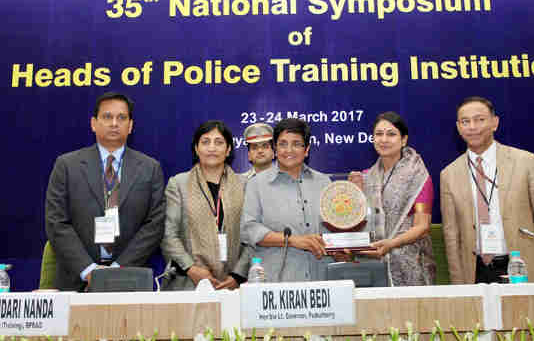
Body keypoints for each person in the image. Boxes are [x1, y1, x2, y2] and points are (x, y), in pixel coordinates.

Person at [45, 91, 165, 291]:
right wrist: (88, 270)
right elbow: (56, 222)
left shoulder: (150, 168)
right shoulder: (67, 165)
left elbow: (154, 225)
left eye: (122, 118)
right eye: (107, 117)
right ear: (93, 123)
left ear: (131, 126)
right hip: (76, 279)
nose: (114, 123)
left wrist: (118, 270)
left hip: (130, 279)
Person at [440, 96, 534, 284]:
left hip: (522, 268)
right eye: (465, 121)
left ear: (494, 123)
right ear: (458, 128)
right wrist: (459, 284)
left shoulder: (526, 162)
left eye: (480, 119)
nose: (472, 127)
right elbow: (451, 238)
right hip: (475, 273)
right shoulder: (449, 174)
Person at [349, 111, 436, 286]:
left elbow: (422, 226)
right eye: (379, 134)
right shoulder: (366, 178)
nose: (384, 139)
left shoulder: (418, 176)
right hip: (373, 266)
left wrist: (391, 244)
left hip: (411, 265)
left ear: (404, 140)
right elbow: (357, 225)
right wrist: (355, 193)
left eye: (391, 134)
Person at [241, 118, 333, 282]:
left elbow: (334, 228)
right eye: (283, 144)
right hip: (277, 283)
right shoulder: (256, 184)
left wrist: (343, 247)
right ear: (275, 148)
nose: (289, 150)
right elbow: (249, 229)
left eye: (296, 144)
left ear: (307, 150)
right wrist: (292, 241)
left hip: (322, 281)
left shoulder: (324, 183)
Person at [161, 120, 249, 290]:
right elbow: (168, 235)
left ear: (229, 149)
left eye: (219, 142)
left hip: (234, 285)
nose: (212, 148)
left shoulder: (244, 185)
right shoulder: (178, 184)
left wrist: (237, 275)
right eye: (205, 142)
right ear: (196, 148)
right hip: (189, 283)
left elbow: (252, 237)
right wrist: (191, 268)